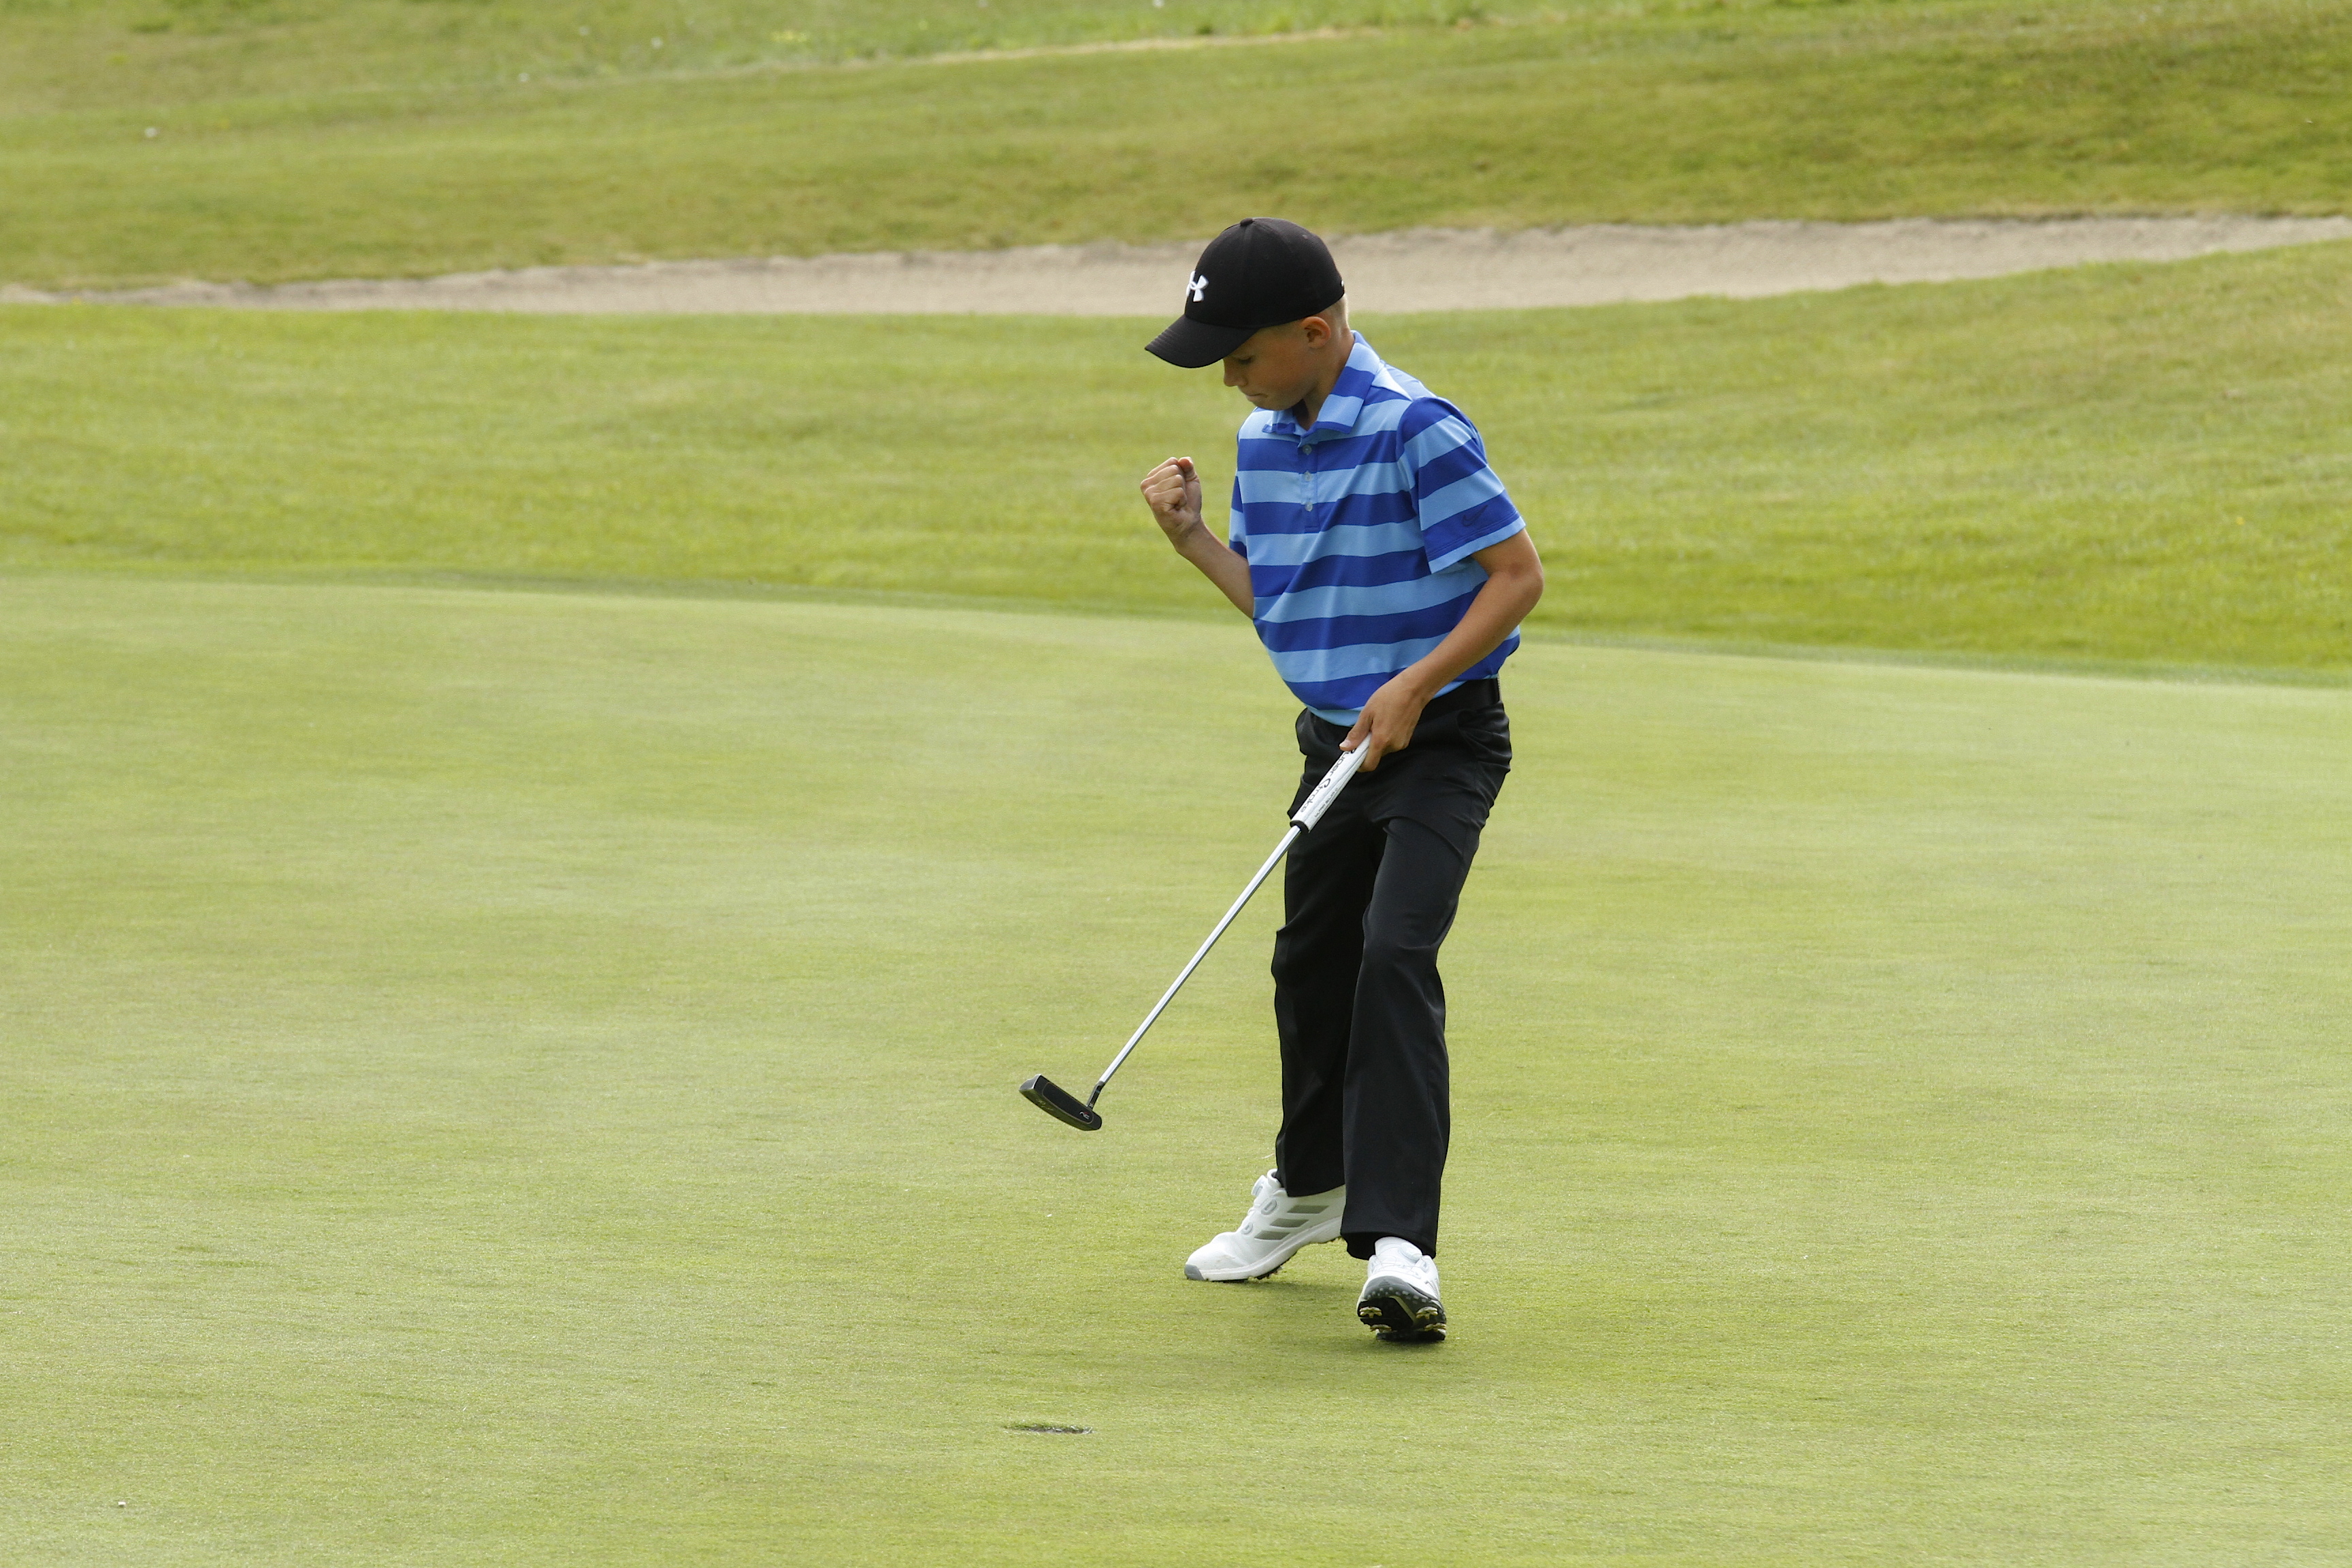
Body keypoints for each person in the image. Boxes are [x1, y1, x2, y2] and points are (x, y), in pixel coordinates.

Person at [1137, 217, 1544, 1343]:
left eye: (1242, 356)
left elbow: (1516, 577)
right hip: (1334, 748)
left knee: (1392, 954)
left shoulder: (1416, 427)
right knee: (1308, 965)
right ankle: (1309, 1187)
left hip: (1442, 740)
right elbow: (1287, 607)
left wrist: (1414, 684)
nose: (1229, 380)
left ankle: (1403, 1244)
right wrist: (1196, 544)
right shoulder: (1264, 440)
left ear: (1314, 333)